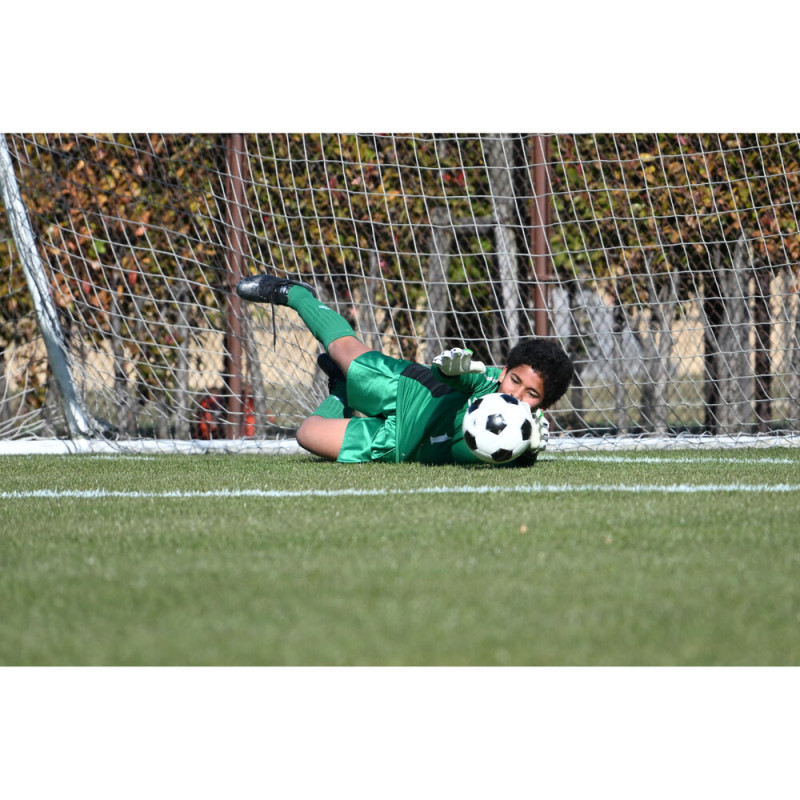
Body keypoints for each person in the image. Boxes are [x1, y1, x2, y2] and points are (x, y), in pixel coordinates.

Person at [236, 273, 574, 465]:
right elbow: (454, 375)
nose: (516, 394)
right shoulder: (484, 381)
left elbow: (518, 454)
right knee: (341, 349)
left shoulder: (525, 438)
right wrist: (450, 369)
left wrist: (528, 451)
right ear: (503, 372)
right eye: (514, 380)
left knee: (307, 434)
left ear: (544, 405)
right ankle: (296, 294)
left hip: (399, 443)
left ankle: (339, 388)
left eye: (531, 393)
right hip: (407, 389)